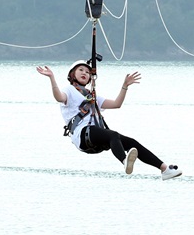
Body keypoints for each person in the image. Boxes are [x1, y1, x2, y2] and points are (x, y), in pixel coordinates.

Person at [36, 60, 183, 180]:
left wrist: (125, 86)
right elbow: (58, 97)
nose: (84, 73)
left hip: (95, 137)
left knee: (131, 142)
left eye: (87, 72)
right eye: (81, 70)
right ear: (72, 74)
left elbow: (116, 104)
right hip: (83, 134)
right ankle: (125, 162)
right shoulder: (69, 90)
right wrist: (51, 78)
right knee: (113, 135)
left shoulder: (92, 96)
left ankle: (165, 169)